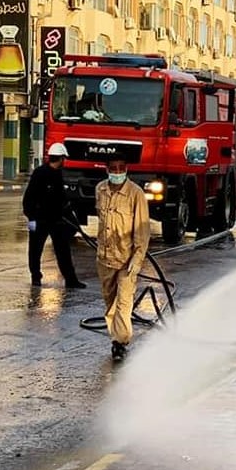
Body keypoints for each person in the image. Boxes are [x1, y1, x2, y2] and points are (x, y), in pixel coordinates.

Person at [95, 152, 150, 362]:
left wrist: (137, 261)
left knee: (123, 303)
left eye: (121, 167)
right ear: (107, 169)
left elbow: (142, 232)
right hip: (105, 258)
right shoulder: (100, 190)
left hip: (127, 261)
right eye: (113, 168)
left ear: (127, 168)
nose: (117, 172)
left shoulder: (136, 195)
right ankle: (116, 337)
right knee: (110, 302)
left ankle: (121, 341)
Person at [22, 142, 86, 289]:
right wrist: (31, 217)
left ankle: (71, 280)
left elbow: (62, 200)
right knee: (35, 250)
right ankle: (36, 277)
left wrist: (72, 220)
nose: (65, 161)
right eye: (64, 158)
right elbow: (29, 198)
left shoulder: (58, 174)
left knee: (63, 251)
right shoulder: (40, 173)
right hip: (40, 220)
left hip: (57, 221)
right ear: (61, 158)